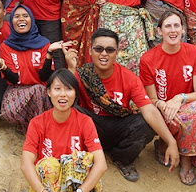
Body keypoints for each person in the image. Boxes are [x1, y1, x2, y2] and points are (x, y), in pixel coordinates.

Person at [67, 28, 180, 182]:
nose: (104, 54)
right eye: (99, 49)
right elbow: (64, 97)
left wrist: (171, 142)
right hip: (91, 126)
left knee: (146, 123)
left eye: (110, 49)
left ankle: (121, 157)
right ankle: (81, 154)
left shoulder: (129, 78)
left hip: (118, 127)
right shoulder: (83, 74)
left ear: (117, 52)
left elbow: (149, 110)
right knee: (69, 109)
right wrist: (71, 69)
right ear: (91, 50)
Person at [21, 69, 107, 192]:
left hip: (75, 189)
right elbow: (25, 164)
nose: (63, 94)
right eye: (57, 88)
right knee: (48, 165)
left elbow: (101, 163)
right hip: (47, 189)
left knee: (81, 160)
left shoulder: (85, 121)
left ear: (75, 94)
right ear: (48, 92)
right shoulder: (37, 123)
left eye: (69, 89)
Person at [139, 11, 196, 185]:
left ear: (183, 29)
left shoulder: (194, 52)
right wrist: (164, 105)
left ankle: (186, 159)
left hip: (186, 107)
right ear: (159, 31)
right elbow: (152, 99)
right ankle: (164, 142)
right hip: (162, 110)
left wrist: (179, 98)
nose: (173, 30)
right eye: (168, 26)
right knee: (168, 114)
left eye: (177, 25)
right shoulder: (147, 59)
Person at [0, 5, 68, 133]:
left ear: (31, 20)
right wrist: (2, 65)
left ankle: (36, 130)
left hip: (41, 92)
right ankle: (32, 126)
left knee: (38, 91)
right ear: (11, 22)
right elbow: (14, 79)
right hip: (17, 91)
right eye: (17, 16)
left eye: (25, 16)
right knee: (21, 102)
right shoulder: (6, 46)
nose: (21, 19)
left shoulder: (44, 43)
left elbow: (44, 77)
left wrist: (49, 55)